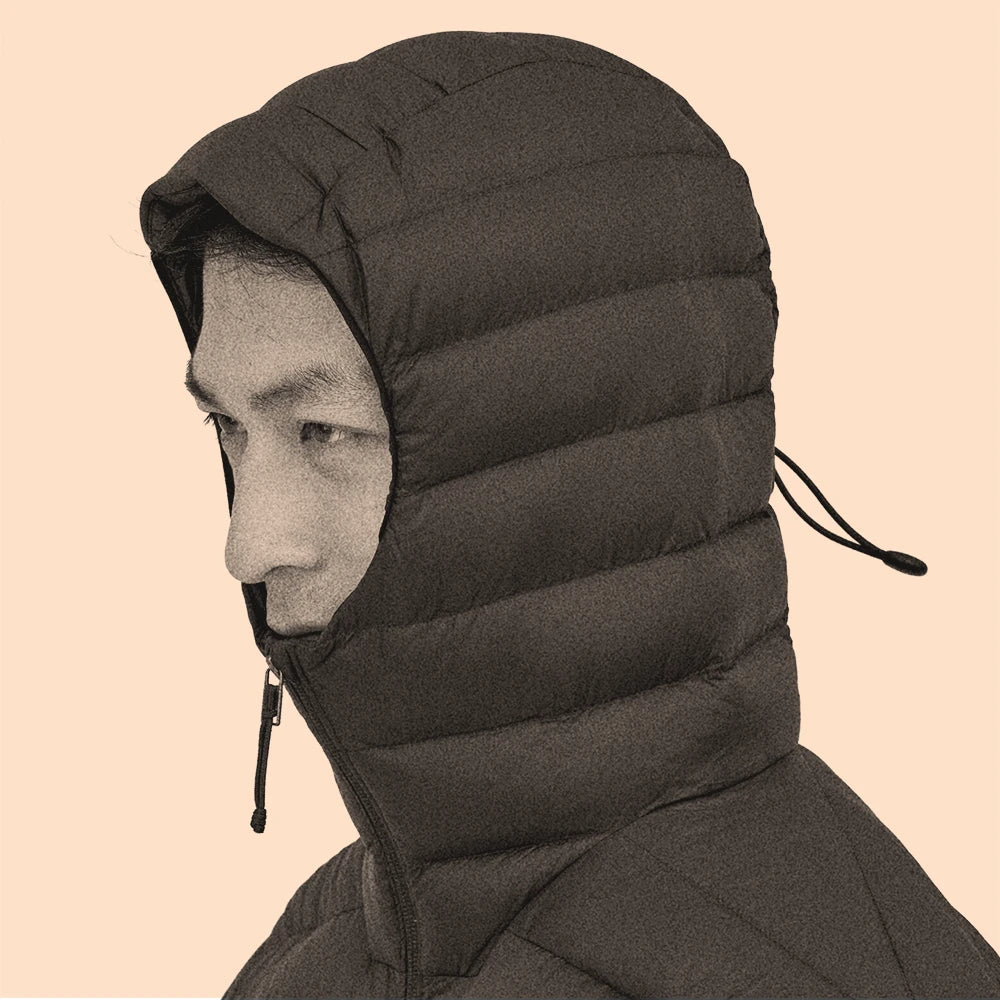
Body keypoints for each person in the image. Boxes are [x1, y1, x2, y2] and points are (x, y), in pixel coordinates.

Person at [140, 29, 1000, 1000]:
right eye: (227, 425)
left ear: (571, 455)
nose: (248, 543)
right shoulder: (340, 944)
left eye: (323, 431)